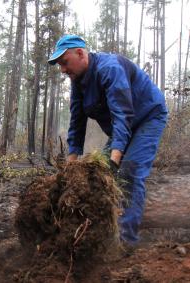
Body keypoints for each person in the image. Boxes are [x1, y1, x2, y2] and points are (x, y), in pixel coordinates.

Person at [48, 34, 168, 245]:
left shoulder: (109, 69)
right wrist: (70, 166)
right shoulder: (77, 82)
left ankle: (126, 242)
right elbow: (76, 123)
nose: (63, 70)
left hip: (148, 116)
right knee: (96, 173)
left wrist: (114, 160)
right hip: (123, 126)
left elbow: (122, 115)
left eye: (64, 63)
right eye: (59, 65)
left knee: (129, 171)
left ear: (79, 53)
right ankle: (98, 229)